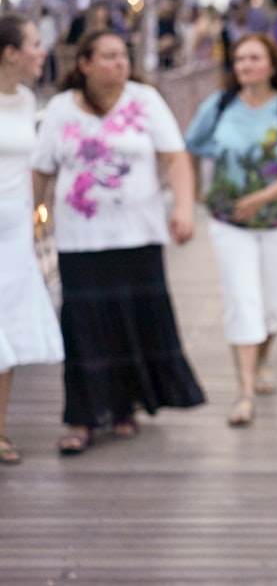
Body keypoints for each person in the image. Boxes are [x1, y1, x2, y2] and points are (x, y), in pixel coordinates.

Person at [31, 28, 204, 455]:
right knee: (83, 326)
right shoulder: (59, 109)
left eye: (123, 55)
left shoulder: (144, 101)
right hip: (79, 240)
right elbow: (42, 170)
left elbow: (175, 156)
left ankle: (124, 406)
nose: (119, 63)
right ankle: (81, 418)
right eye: (107, 56)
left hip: (138, 236)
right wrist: (31, 220)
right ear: (84, 63)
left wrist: (183, 208)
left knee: (132, 320)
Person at [185, 33, 277, 427]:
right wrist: (195, 191)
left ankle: (263, 359)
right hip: (231, 224)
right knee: (243, 301)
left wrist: (263, 197)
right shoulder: (220, 105)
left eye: (254, 58)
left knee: (274, 307)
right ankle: (244, 393)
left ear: (272, 64)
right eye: (239, 59)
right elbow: (190, 144)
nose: (244, 65)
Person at [0, 13, 65, 465]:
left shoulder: (25, 100)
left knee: (10, 329)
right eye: (35, 44)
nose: (42, 52)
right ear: (10, 53)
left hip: (16, 229)